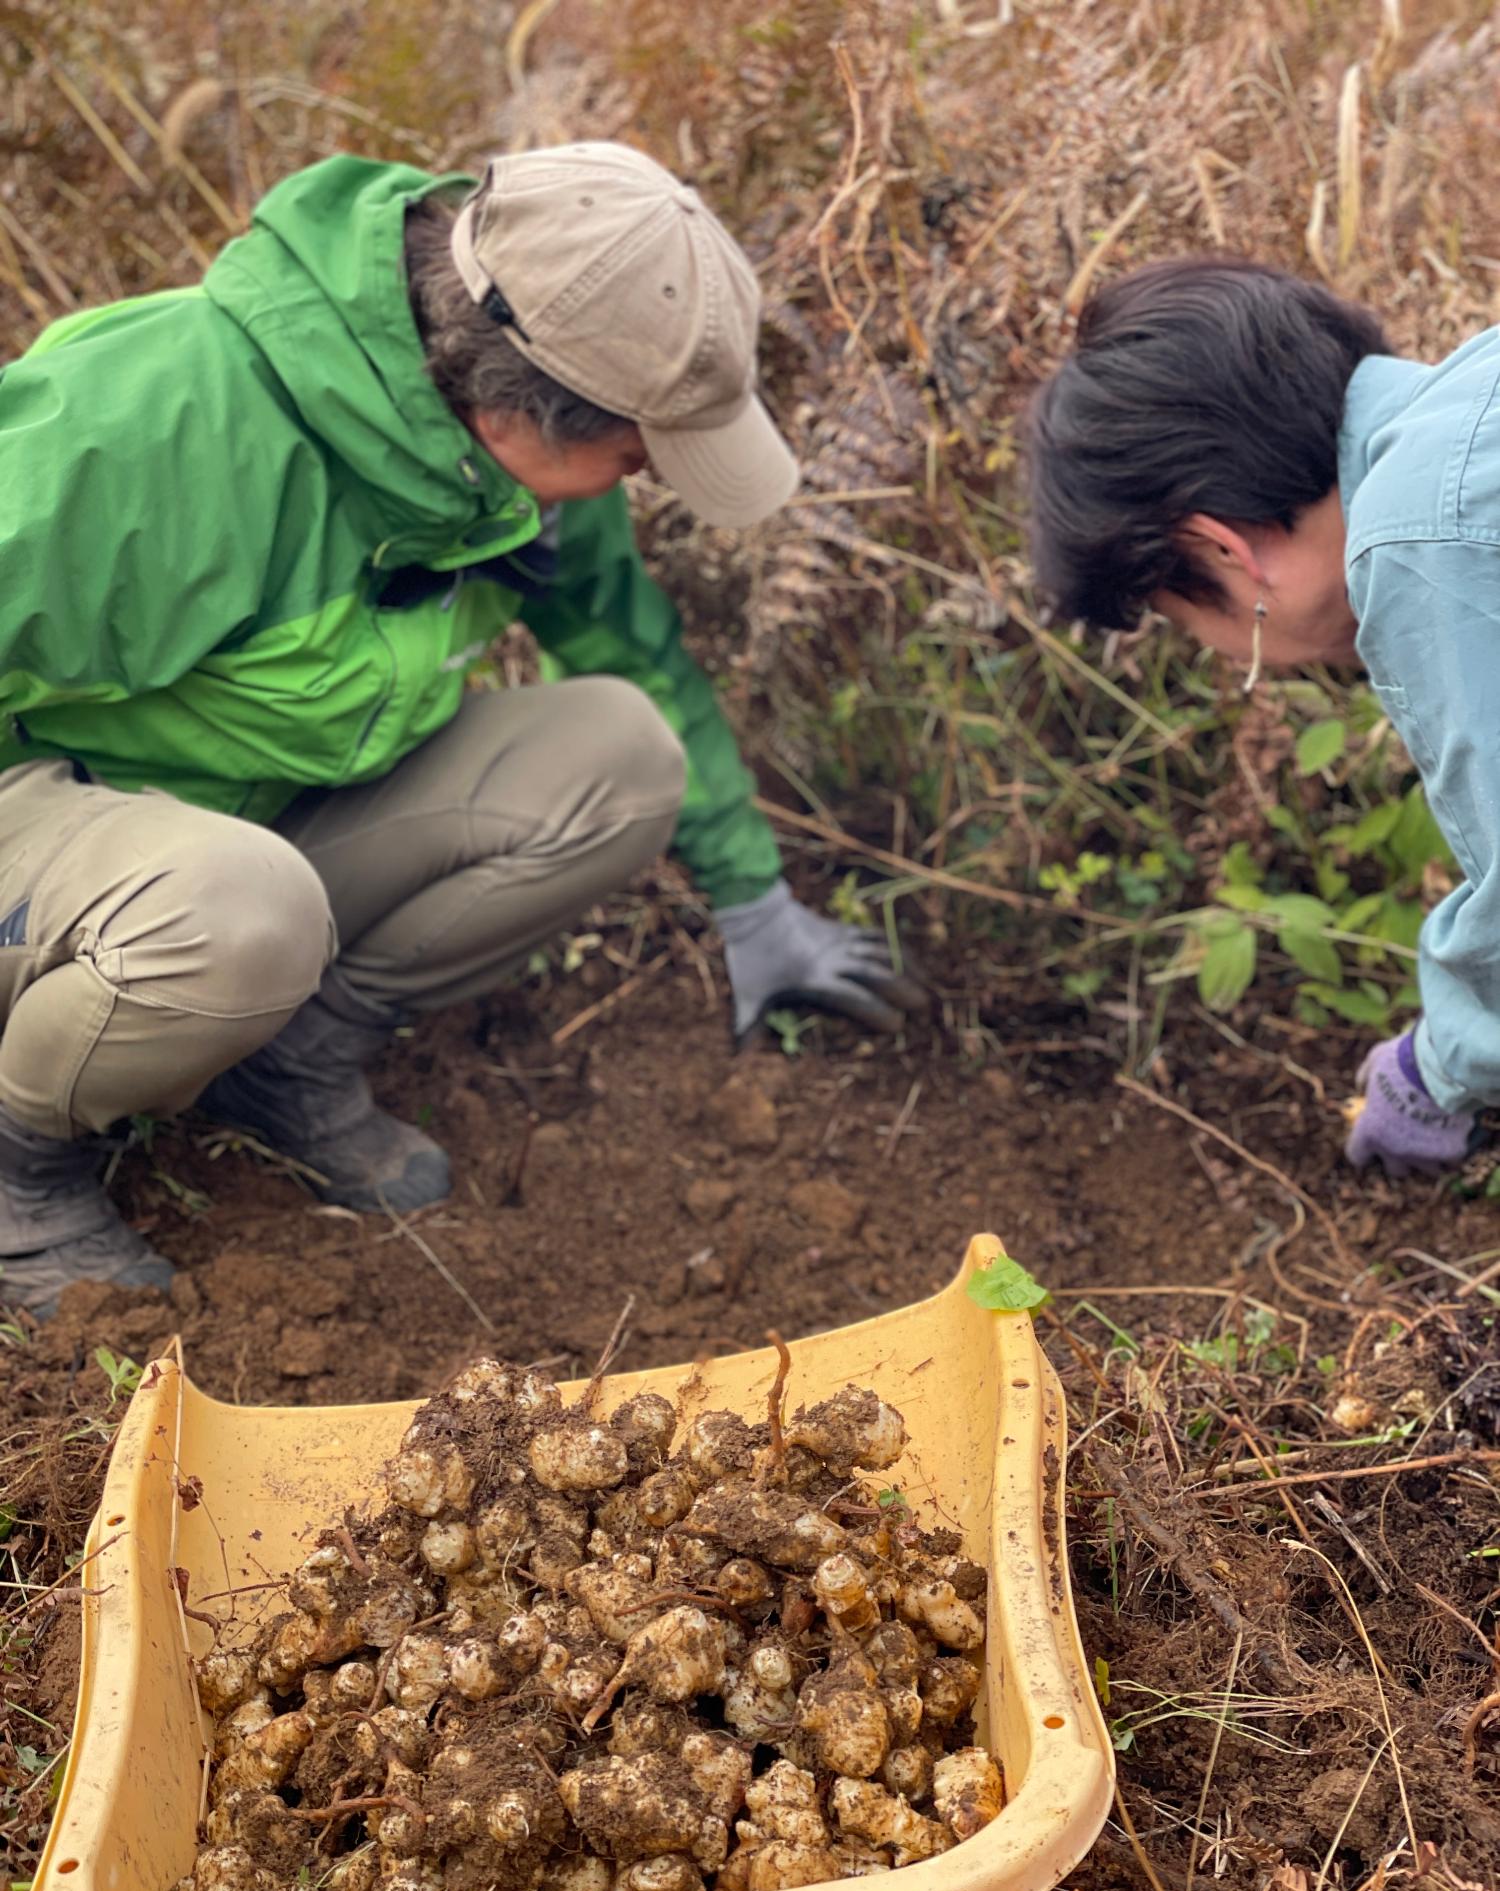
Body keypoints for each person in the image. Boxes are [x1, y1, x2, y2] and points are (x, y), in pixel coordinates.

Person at [0, 142, 923, 1318]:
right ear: (511, 407)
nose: (636, 481)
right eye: (635, 453)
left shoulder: (509, 483)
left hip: (237, 826)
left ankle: (280, 1062)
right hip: (51, 826)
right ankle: (19, 1169)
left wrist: (753, 898)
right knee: (239, 911)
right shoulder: (142, 432)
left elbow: (636, 658)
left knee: (621, 754)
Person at [1025, 256, 1500, 1180]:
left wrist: (1441, 1069)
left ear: (1220, 550)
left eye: (1182, 618)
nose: (1213, 648)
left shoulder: (1418, 542)